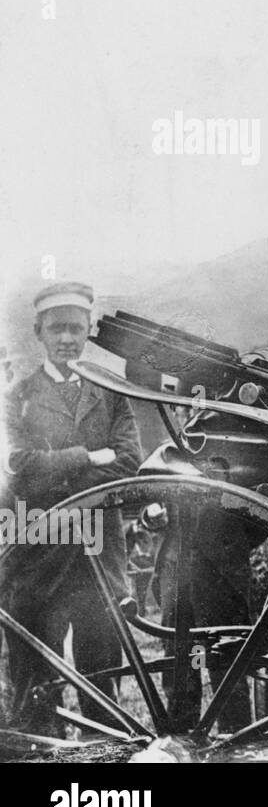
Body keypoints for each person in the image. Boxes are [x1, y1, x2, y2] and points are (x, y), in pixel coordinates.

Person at [1, 282, 140, 735]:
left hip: (99, 550)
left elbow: (129, 463)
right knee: (34, 674)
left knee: (102, 671)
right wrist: (86, 456)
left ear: (89, 331)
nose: (67, 338)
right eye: (57, 328)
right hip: (38, 546)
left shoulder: (112, 393)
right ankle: (40, 749)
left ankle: (106, 750)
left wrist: (58, 471)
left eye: (76, 329)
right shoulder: (16, 396)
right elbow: (18, 465)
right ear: (38, 331)